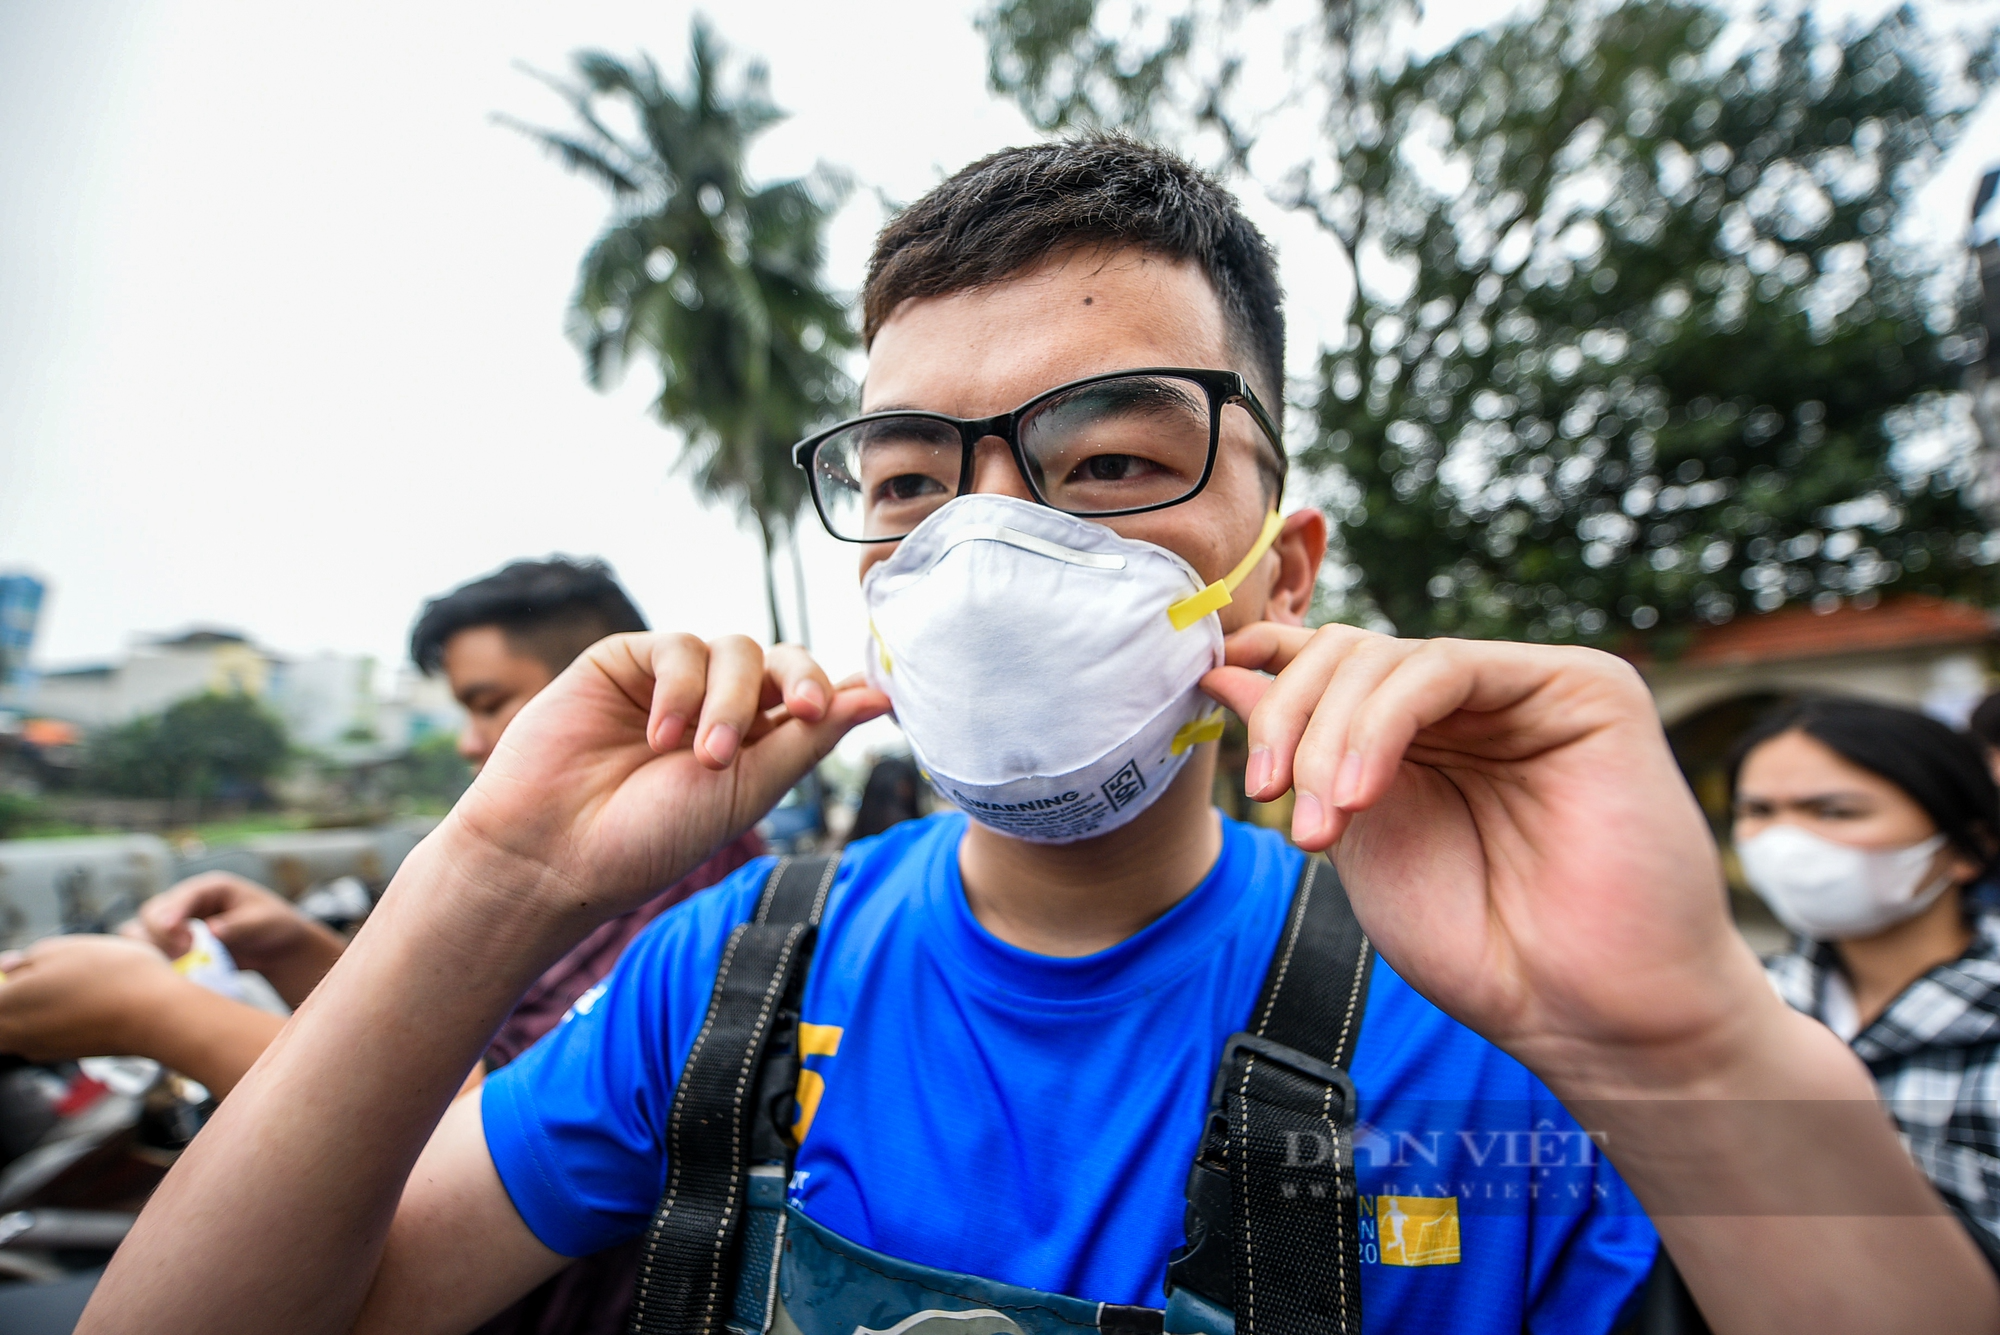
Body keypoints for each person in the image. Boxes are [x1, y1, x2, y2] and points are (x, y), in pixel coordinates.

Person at [79, 138, 2000, 1335]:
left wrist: (1672, 1037)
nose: (993, 541)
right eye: (913, 478)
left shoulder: (1487, 1012)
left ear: (1280, 568)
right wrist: (481, 886)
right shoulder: (734, 972)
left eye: (1110, 461)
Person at [0, 556, 760, 1335]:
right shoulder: (608, 864)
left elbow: (486, 1130)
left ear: (616, 688)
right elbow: (467, 1034)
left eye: (488, 703)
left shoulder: (678, 879)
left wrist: (149, 1011)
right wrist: (294, 950)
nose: (471, 743)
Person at [1732, 695, 2000, 1267]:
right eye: (1757, 811)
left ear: (1966, 847)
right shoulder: (1734, 1007)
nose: (1783, 844)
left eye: (1834, 812)